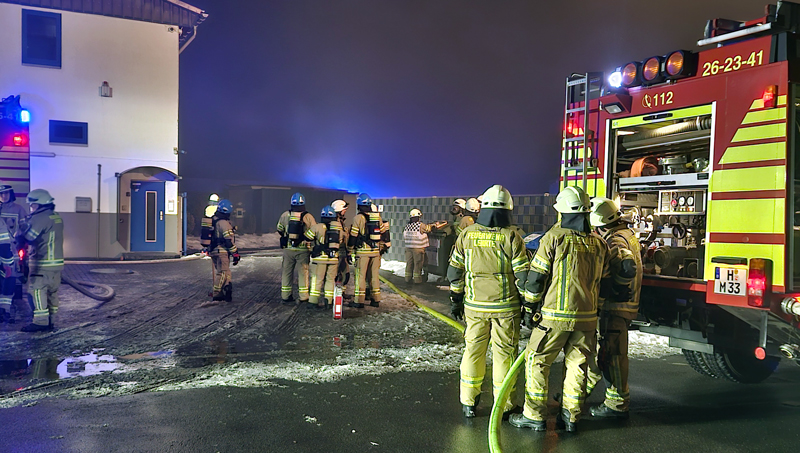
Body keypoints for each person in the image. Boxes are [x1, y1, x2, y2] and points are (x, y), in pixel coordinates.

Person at [509, 186, 610, 433]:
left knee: (537, 361)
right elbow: (605, 284)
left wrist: (530, 305)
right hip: (587, 318)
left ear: (562, 211)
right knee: (578, 365)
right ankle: (571, 417)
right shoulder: (599, 243)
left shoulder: (554, 237)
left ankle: (534, 415)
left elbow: (536, 277)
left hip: (554, 317)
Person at [447, 185, 529, 418]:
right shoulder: (512, 236)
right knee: (504, 354)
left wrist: (456, 298)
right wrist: (528, 304)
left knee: (473, 350)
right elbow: (523, 275)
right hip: (506, 308)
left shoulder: (467, 235)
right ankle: (504, 405)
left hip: (474, 306)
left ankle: (468, 402)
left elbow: (454, 272)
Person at [586, 197, 642, 419]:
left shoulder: (615, 241)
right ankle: (581, 392)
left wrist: (613, 288)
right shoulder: (626, 234)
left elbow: (625, 267)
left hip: (616, 307)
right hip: (622, 306)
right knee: (607, 353)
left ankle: (617, 404)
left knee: (614, 355)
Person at [19, 189, 64, 332]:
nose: (31, 208)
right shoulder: (56, 217)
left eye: (32, 205)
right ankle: (51, 320)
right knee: (52, 292)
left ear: (39, 204)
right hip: (56, 263)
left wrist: (22, 228)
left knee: (37, 291)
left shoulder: (40, 218)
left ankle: (40, 322)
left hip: (42, 263)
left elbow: (29, 237)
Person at [277, 192, 316, 304]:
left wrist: (286, 237)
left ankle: (286, 296)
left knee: (286, 272)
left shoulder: (285, 215)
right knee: (303, 273)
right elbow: (314, 231)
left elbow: (279, 228)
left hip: (288, 249)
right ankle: (303, 297)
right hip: (303, 250)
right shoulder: (308, 216)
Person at [306, 206, 346, 309]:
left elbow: (308, 237)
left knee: (317, 280)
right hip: (333, 259)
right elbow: (341, 241)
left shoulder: (317, 227)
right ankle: (329, 301)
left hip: (319, 259)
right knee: (330, 280)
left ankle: (313, 301)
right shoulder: (339, 229)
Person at [0, 183, 29, 322]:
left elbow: (25, 226)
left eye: (6, 193)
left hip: (12, 251)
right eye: (1, 194)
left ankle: (5, 309)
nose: (3, 196)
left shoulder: (18, 209)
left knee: (9, 278)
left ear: (11, 194)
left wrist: (21, 233)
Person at [347, 193, 382, 308]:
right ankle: (375, 299)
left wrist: (349, 250)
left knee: (360, 276)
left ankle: (359, 301)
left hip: (362, 252)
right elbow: (383, 232)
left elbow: (353, 236)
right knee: (374, 276)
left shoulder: (358, 218)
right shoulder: (377, 217)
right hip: (375, 251)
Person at [208, 199, 240, 303]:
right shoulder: (224, 223)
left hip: (213, 250)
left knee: (225, 271)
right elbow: (228, 241)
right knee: (222, 272)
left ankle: (227, 287)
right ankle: (217, 294)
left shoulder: (214, 220)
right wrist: (235, 253)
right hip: (221, 251)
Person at [402, 208, 442, 285]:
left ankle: (407, 278)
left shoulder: (407, 226)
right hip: (418, 249)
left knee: (409, 264)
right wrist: (435, 225)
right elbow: (429, 229)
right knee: (418, 264)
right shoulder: (420, 225)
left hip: (408, 248)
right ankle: (417, 280)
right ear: (418, 217)